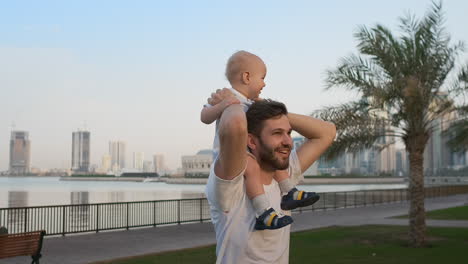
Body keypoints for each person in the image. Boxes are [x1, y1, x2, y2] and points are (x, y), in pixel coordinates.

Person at [205, 97, 336, 263]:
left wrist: (274, 112)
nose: (288, 142)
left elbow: (327, 132)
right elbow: (234, 126)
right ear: (252, 141)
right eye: (277, 133)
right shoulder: (232, 184)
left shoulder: (284, 176)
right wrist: (234, 101)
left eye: (288, 133)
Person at [201, 51, 320, 230]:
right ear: (246, 77)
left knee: (273, 161)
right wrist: (226, 104)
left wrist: (262, 106)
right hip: (233, 154)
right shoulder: (225, 96)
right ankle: (262, 211)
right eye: (262, 77)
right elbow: (205, 116)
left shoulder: (251, 103)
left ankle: (289, 191)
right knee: (254, 167)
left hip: (252, 150)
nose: (264, 83)